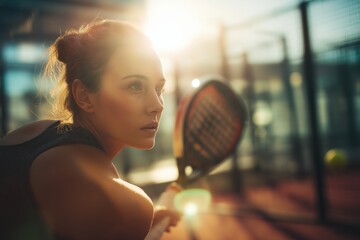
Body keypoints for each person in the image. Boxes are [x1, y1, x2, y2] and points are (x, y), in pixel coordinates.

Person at [0, 20, 181, 240]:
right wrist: (140, 218)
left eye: (159, 88)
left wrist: (149, 221)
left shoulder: (32, 134)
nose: (158, 105)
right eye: (135, 86)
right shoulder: (126, 205)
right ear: (84, 96)